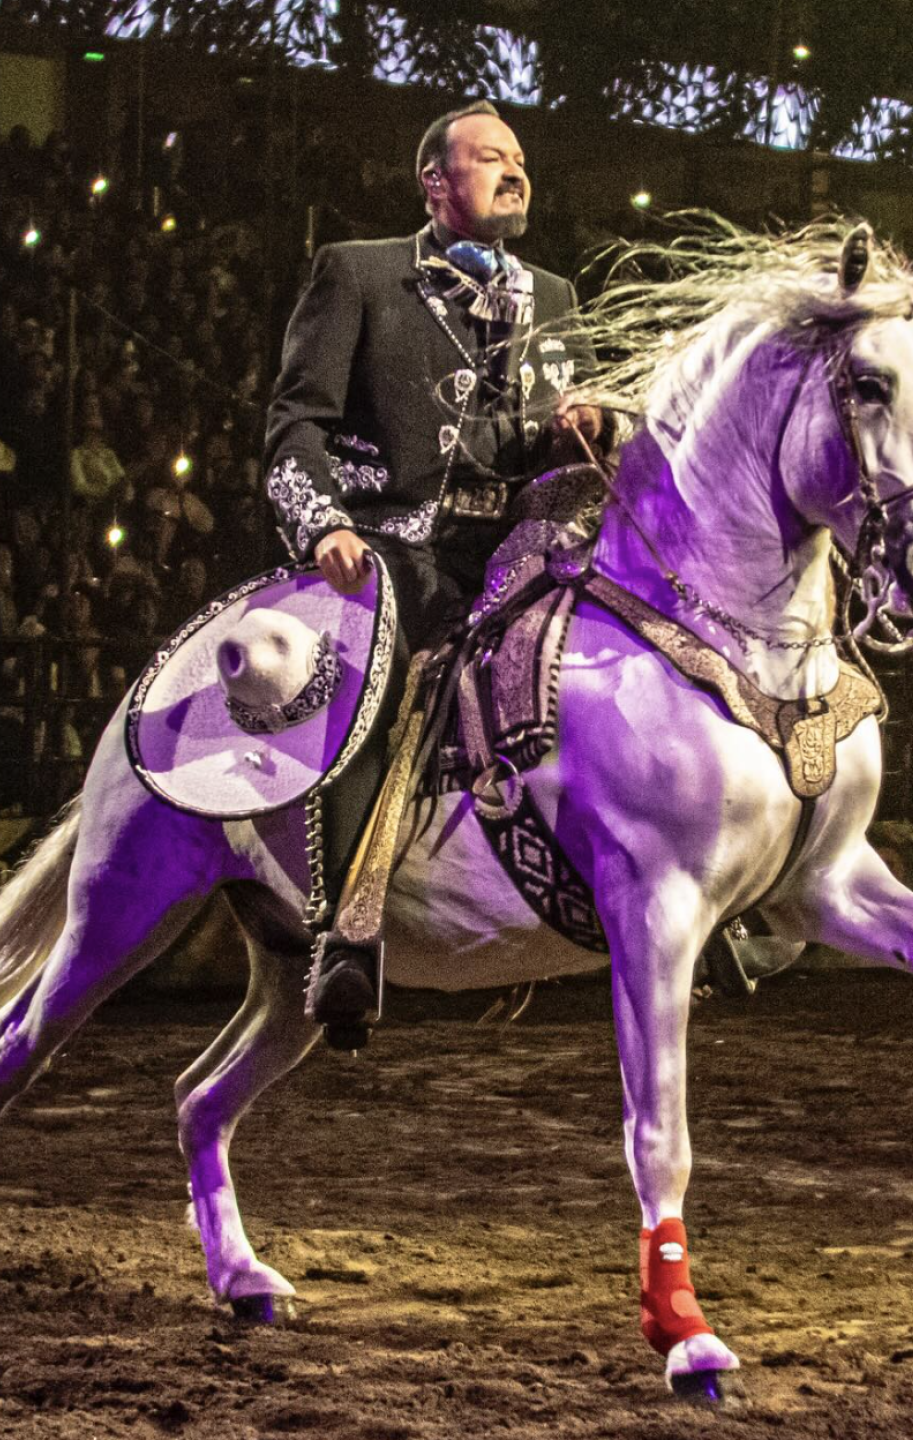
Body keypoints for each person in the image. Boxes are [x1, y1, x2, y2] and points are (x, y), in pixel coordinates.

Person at [262, 100, 607, 1039]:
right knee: (377, 668)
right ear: (436, 182)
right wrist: (324, 523)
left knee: (620, 652)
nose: (514, 171)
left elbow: (550, 444)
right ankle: (345, 935)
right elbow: (298, 423)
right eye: (491, 158)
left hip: (516, 547)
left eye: (521, 159)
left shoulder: (557, 297)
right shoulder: (360, 273)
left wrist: (589, 432)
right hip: (397, 540)